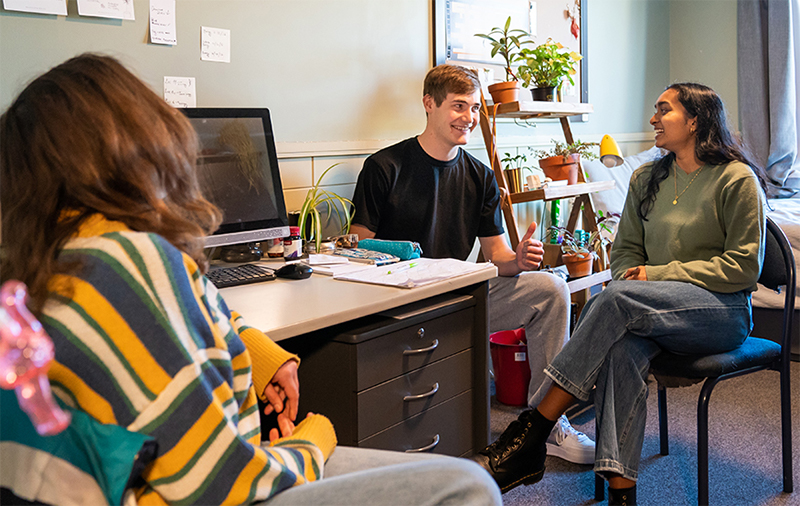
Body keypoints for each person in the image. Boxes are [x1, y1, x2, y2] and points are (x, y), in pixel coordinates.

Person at [0, 53, 502, 506]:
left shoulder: (61, 254)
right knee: (467, 486)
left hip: (192, 461)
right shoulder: (123, 263)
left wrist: (261, 356)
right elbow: (218, 480)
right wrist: (317, 436)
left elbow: (199, 308)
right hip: (232, 482)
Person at [471, 82, 769, 505]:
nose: (653, 118)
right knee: (620, 350)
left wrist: (657, 274)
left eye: (664, 110)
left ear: (696, 120)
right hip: (650, 312)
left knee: (613, 300)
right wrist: (638, 278)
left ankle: (534, 429)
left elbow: (742, 268)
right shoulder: (648, 177)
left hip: (719, 312)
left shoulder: (736, 179)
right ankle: (622, 495)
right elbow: (624, 252)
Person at [350, 64, 595, 466]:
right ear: (429, 104)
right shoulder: (384, 167)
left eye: (475, 108)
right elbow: (358, 241)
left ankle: (546, 424)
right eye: (458, 106)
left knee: (551, 289)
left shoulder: (480, 176)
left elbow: (496, 256)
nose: (468, 117)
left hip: (460, 297)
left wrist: (517, 260)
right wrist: (405, 255)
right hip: (397, 301)